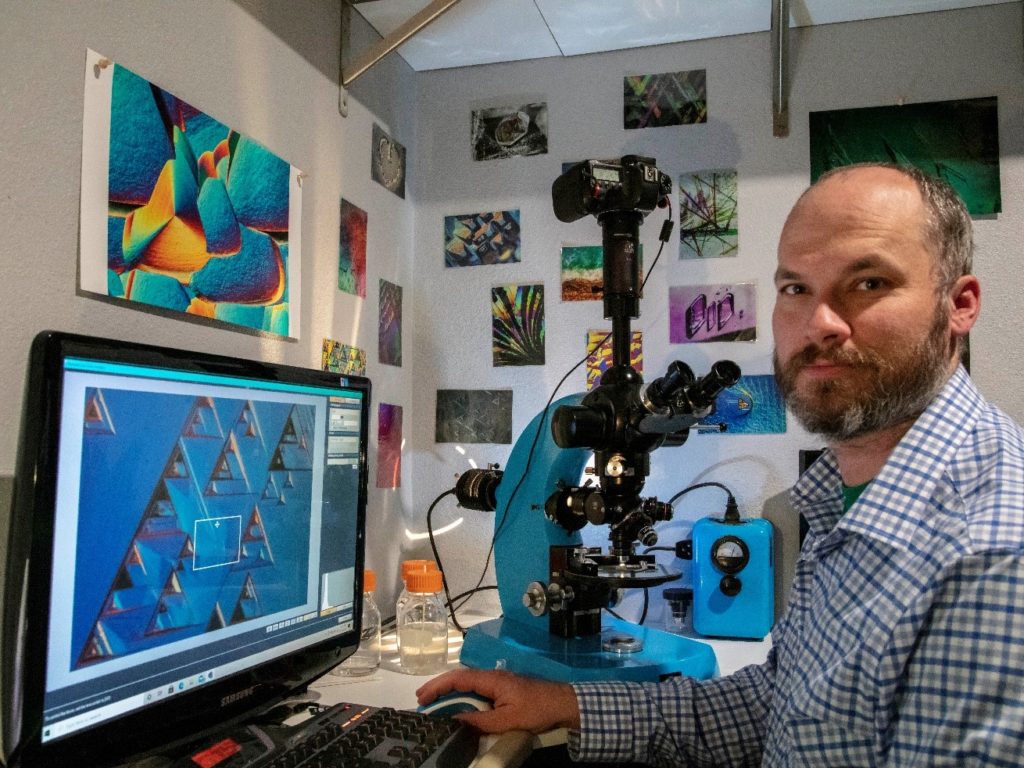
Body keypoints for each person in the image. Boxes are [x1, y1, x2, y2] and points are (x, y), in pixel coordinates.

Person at [417, 164, 1024, 766]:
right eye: (796, 289)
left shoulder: (993, 554)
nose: (820, 323)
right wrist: (568, 703)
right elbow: (779, 707)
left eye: (868, 283)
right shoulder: (844, 502)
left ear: (960, 304)